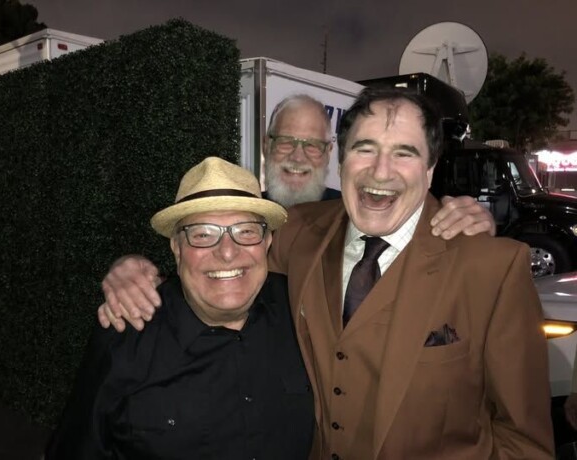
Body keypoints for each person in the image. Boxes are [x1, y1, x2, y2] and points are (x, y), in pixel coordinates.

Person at [98, 88, 554, 458]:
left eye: (404, 153)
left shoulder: (493, 268)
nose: (381, 171)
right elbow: (222, 259)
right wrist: (132, 268)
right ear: (342, 161)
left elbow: (524, 442)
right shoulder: (297, 232)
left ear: (430, 169)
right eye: (365, 149)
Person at [99, 93, 496, 331]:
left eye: (312, 145)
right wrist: (129, 267)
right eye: (286, 142)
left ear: (330, 154)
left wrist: (468, 220)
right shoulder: (234, 211)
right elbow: (197, 263)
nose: (298, 157)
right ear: (267, 147)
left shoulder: (362, 214)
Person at [45, 157, 315, 459]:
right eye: (203, 234)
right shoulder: (126, 335)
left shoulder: (302, 306)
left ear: (267, 242)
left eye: (246, 231)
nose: (227, 252)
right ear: (176, 248)